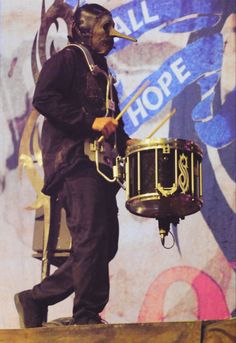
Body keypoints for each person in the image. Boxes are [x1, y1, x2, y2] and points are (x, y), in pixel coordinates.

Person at [14, 3, 137, 327]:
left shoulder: (102, 70)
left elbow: (110, 121)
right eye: (105, 26)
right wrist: (89, 122)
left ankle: (36, 297)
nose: (111, 34)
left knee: (103, 244)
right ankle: (86, 314)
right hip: (75, 164)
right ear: (84, 29)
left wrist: (127, 143)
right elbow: (45, 97)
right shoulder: (69, 58)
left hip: (98, 167)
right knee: (93, 240)